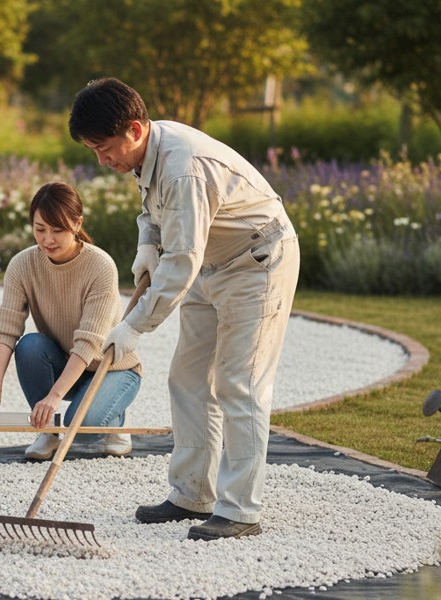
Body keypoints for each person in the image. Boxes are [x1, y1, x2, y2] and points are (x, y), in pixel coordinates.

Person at [69, 77, 300, 541]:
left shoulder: (182, 167)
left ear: (134, 128)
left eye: (105, 147)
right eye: (93, 150)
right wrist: (145, 245)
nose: (103, 160)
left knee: (240, 383)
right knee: (189, 379)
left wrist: (132, 326)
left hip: (256, 263)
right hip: (211, 263)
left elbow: (182, 262)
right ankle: (192, 493)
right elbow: (153, 213)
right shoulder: (149, 150)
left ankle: (239, 509)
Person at [0, 181, 142, 460]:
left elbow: (88, 344)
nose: (48, 239)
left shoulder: (100, 266)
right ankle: (47, 432)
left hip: (110, 369)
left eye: (58, 230)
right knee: (29, 346)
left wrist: (53, 397)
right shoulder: (22, 265)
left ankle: (115, 420)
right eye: (40, 229)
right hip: (63, 362)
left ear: (77, 224)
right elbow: (5, 330)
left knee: (85, 427)